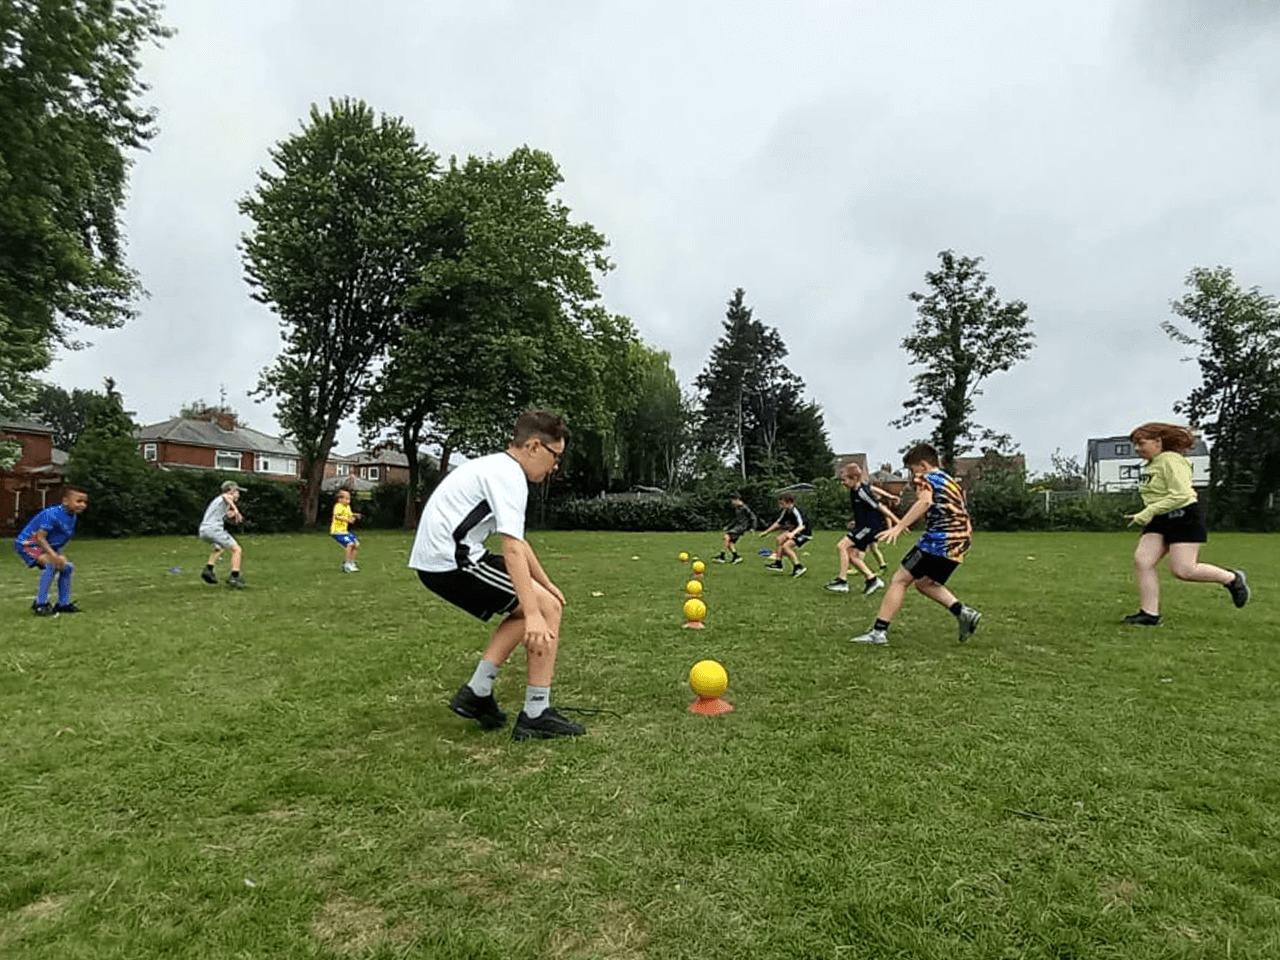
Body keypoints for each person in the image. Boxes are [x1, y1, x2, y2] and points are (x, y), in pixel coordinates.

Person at [410, 410, 583, 742]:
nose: (555, 467)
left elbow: (519, 543)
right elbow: (513, 549)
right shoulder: (508, 475)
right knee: (545, 610)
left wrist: (546, 584)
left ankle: (477, 692)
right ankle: (535, 714)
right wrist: (534, 611)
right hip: (451, 561)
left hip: (448, 557)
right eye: (554, 456)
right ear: (534, 446)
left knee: (540, 603)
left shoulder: (498, 468)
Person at [850, 444, 980, 646]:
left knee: (900, 579)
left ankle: (879, 632)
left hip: (939, 540)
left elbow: (924, 502)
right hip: (961, 541)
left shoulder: (924, 477)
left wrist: (899, 526)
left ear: (922, 465)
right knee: (925, 583)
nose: (911, 475)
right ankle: (963, 613)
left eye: (911, 469)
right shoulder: (949, 480)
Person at [1121, 422, 1249, 626]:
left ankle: (1232, 578)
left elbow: (1180, 495)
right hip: (1160, 518)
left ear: (1158, 441)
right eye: (1135, 445)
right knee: (1143, 560)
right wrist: (1143, 514)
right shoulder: (1151, 464)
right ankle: (1149, 614)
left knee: (1183, 570)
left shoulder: (1171, 461)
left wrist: (1148, 511)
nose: (1137, 449)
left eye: (1140, 443)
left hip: (1184, 516)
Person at [825, 462, 900, 595]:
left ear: (854, 479)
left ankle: (842, 581)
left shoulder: (861, 492)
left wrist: (898, 522)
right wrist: (890, 496)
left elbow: (880, 507)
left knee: (842, 546)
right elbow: (874, 489)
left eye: (844, 480)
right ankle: (872, 580)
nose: (842, 483)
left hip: (868, 527)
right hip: (862, 526)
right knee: (853, 557)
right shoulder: (858, 488)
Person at [14, 485, 89, 616]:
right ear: (65, 501)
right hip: (29, 544)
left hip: (47, 545)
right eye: (79, 501)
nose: (82, 505)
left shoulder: (72, 516)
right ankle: (40, 604)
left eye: (85, 502)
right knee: (51, 564)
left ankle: (63, 603)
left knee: (67, 567)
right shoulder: (52, 514)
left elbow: (56, 539)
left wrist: (59, 554)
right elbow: (39, 538)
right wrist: (53, 555)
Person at [199, 480, 246, 589]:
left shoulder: (220, 503)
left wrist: (233, 516)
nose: (238, 495)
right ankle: (234, 577)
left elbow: (226, 517)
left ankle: (208, 570)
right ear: (231, 490)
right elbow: (226, 496)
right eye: (237, 492)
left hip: (204, 530)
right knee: (237, 549)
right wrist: (236, 510)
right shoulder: (224, 497)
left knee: (218, 548)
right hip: (214, 529)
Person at [759, 492, 811, 578]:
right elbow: (778, 523)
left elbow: (802, 526)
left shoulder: (795, 511)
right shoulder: (786, 511)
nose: (780, 506)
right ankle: (778, 563)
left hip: (804, 533)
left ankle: (798, 567)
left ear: (790, 503)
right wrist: (766, 532)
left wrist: (792, 534)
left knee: (786, 547)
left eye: (782, 504)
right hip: (795, 531)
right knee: (779, 539)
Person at [712, 493, 758, 564]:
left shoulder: (744, 508)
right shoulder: (737, 508)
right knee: (730, 543)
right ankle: (736, 557)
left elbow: (753, 517)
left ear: (738, 500)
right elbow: (736, 520)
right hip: (737, 527)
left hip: (741, 527)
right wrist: (728, 526)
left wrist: (753, 528)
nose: (732, 503)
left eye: (733, 501)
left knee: (726, 537)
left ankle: (722, 556)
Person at [331, 489, 362, 572]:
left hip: (344, 531)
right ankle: (347, 564)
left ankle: (352, 562)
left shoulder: (347, 507)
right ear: (340, 499)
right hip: (337, 531)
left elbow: (349, 514)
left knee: (356, 544)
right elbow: (337, 516)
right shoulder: (338, 506)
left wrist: (354, 516)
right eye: (346, 498)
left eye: (349, 498)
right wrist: (347, 520)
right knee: (349, 544)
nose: (348, 500)